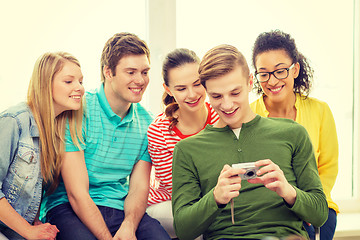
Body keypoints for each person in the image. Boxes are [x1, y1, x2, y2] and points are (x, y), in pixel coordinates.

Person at [171, 44, 328, 240]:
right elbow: (183, 230)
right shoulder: (187, 150)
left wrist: (288, 191)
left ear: (249, 82)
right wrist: (215, 198)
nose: (227, 105)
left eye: (235, 93)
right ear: (205, 91)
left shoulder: (292, 133)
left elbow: (320, 214)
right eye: (216, 96)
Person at [40, 33, 171, 240]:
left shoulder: (147, 123)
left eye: (145, 72)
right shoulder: (76, 111)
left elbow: (138, 188)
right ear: (108, 72)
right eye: (131, 72)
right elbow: (77, 194)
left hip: (118, 206)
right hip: (67, 207)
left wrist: (129, 225)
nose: (140, 80)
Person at [250, 30, 339, 240]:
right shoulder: (249, 115)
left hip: (317, 205)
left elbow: (328, 167)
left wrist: (308, 204)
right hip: (270, 208)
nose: (272, 81)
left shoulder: (320, 111)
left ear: (295, 69)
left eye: (280, 71)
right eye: (263, 73)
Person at [0, 51, 85, 239]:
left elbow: (33, 189)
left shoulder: (57, 130)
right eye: (69, 81)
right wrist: (28, 230)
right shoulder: (14, 121)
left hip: (19, 229)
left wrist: (35, 221)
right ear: (46, 84)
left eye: (81, 81)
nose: (79, 87)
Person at [146, 48, 219, 238]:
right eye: (181, 88)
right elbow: (179, 190)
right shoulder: (159, 131)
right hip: (168, 204)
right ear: (168, 89)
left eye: (197, 84)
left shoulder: (221, 116)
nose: (192, 94)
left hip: (214, 198)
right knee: (199, 221)